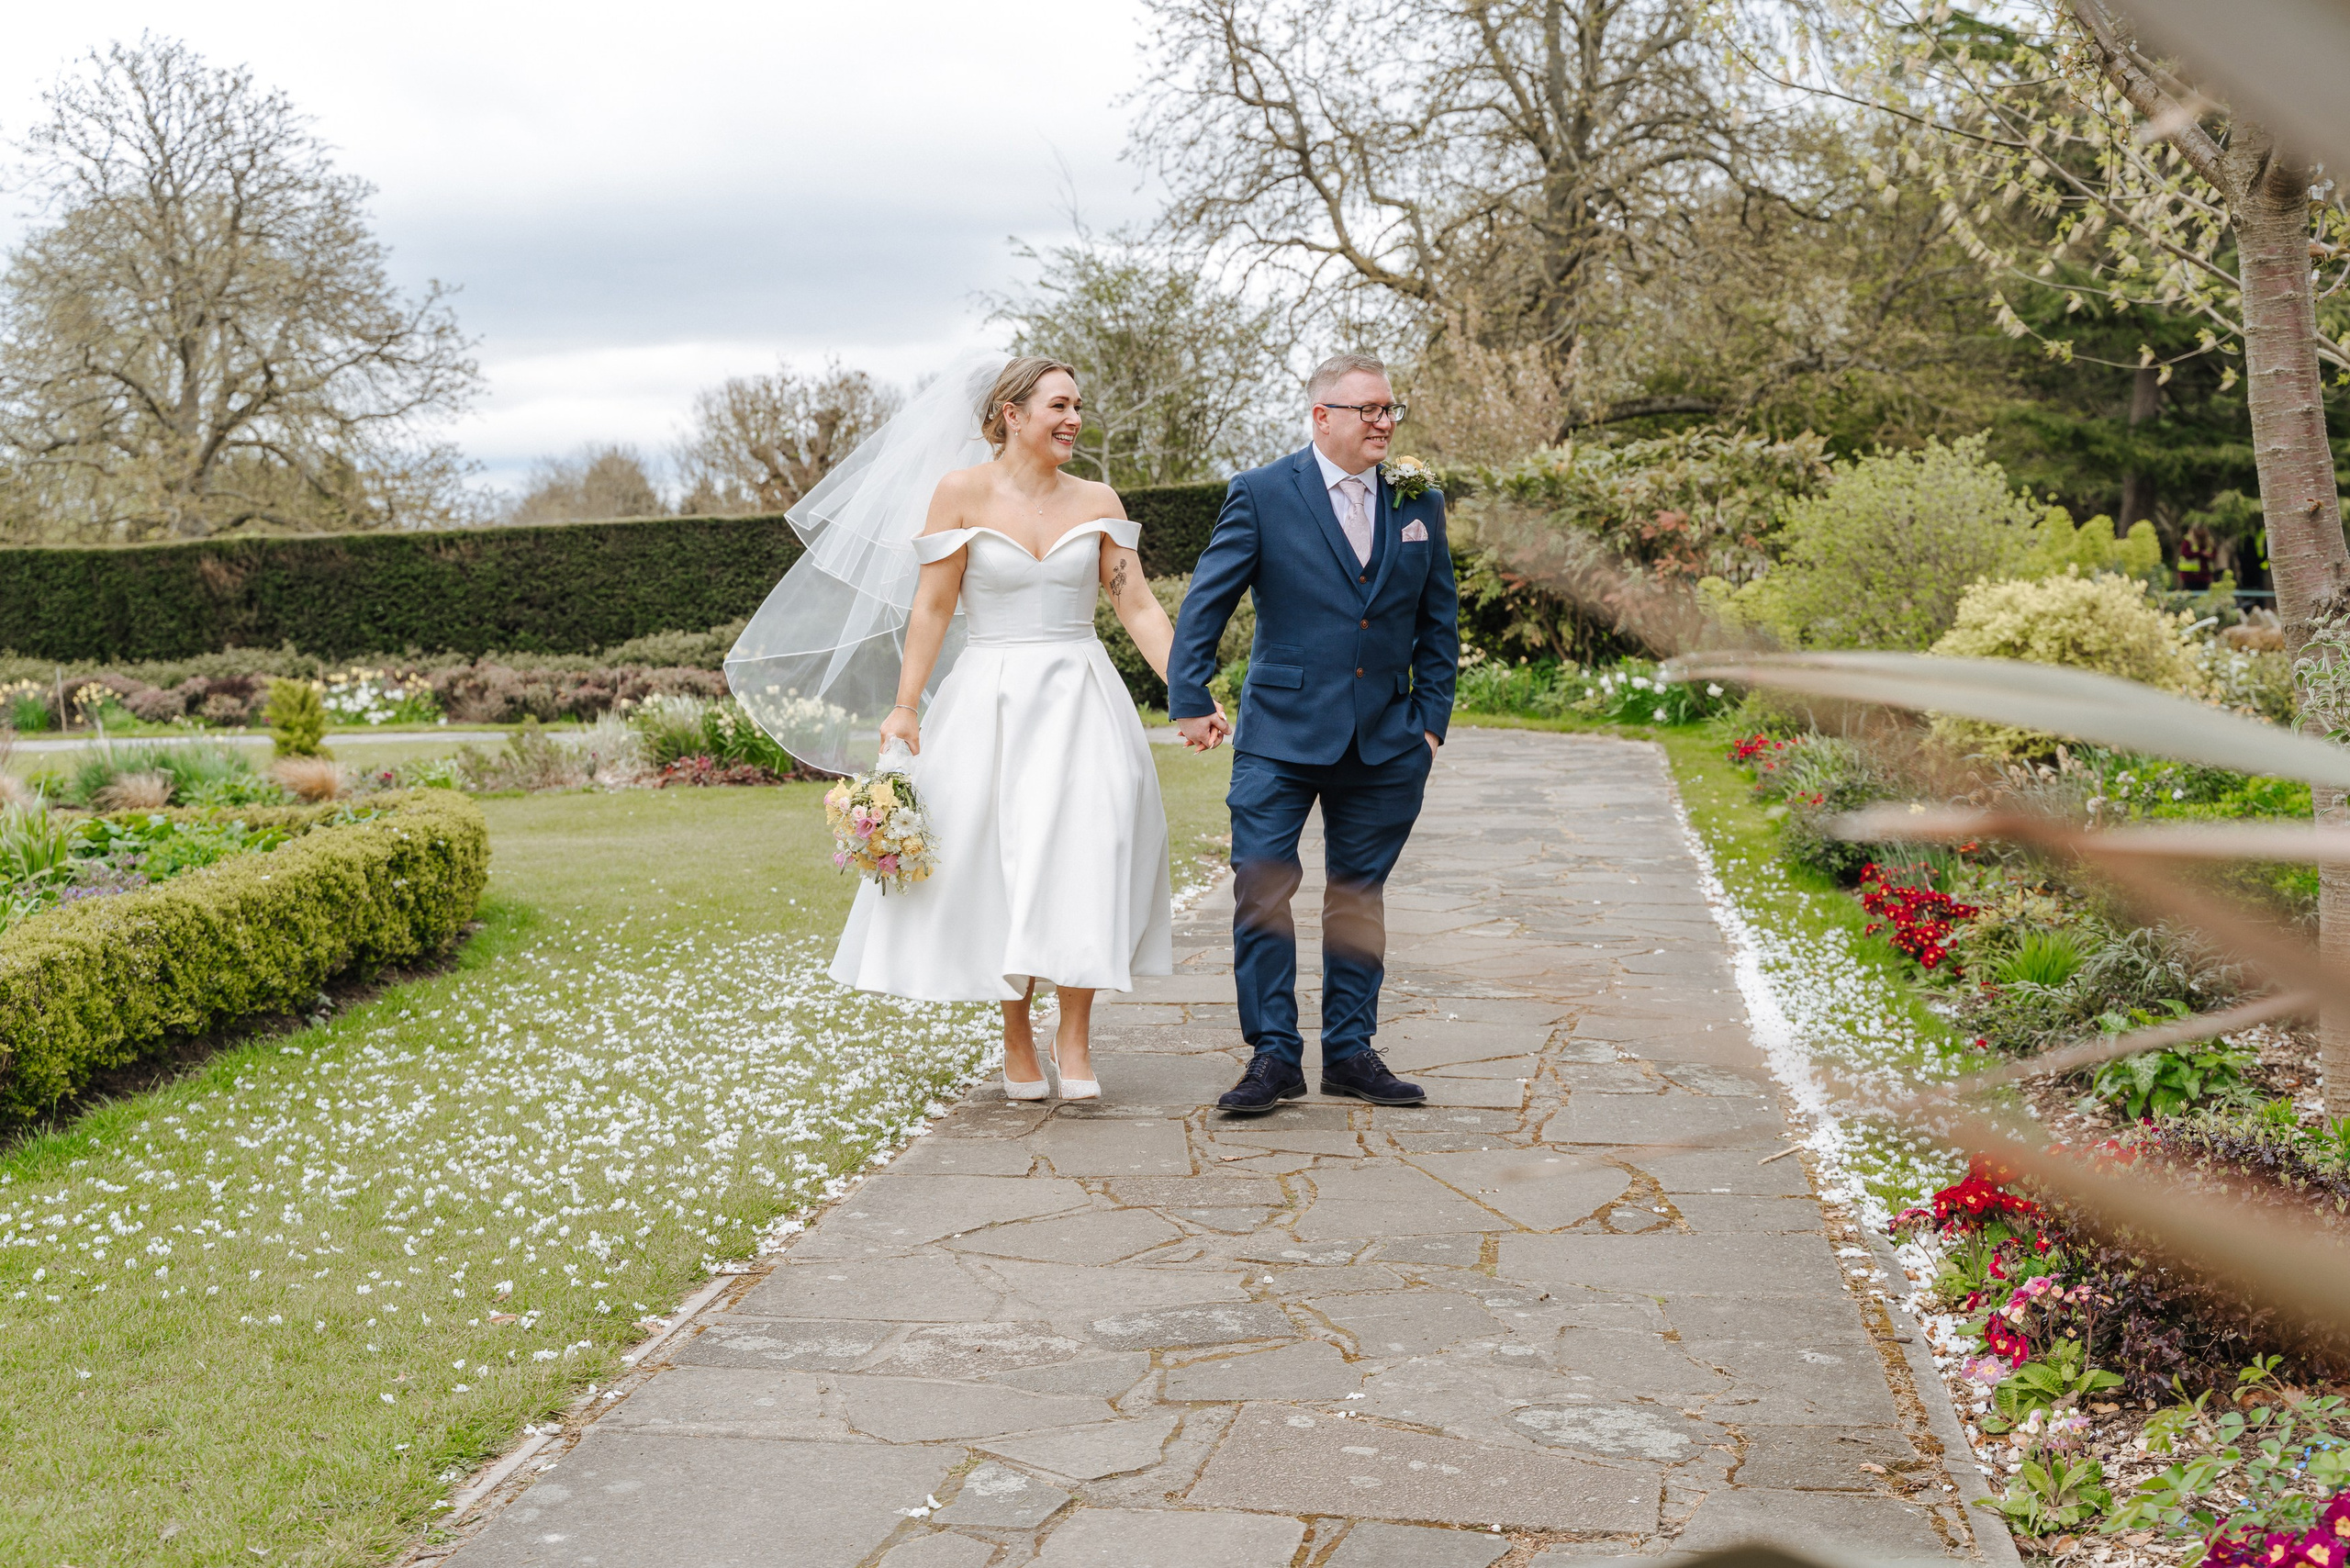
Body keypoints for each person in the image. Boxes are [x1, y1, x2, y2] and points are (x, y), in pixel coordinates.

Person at [730, 354, 1215, 1102]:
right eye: (1058, 405)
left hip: (1083, 693)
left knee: (1093, 846)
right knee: (1000, 859)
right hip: (990, 697)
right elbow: (931, 608)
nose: (1073, 419)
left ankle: (1076, 1034)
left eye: (1078, 406)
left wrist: (1190, 693)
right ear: (1010, 414)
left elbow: (1137, 604)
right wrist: (904, 706)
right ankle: (1016, 1033)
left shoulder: (1097, 498)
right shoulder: (958, 494)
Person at [1166, 352, 1460, 1114]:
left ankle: (1352, 1053)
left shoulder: (1418, 496)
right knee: (1262, 887)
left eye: (1391, 409)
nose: (1385, 422)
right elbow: (1207, 600)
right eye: (1369, 410)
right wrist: (1189, 694)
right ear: (1321, 416)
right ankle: (1273, 1056)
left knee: (1359, 897)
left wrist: (1430, 725)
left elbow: (1440, 619)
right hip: (1279, 735)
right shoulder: (1262, 493)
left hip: (1387, 741)